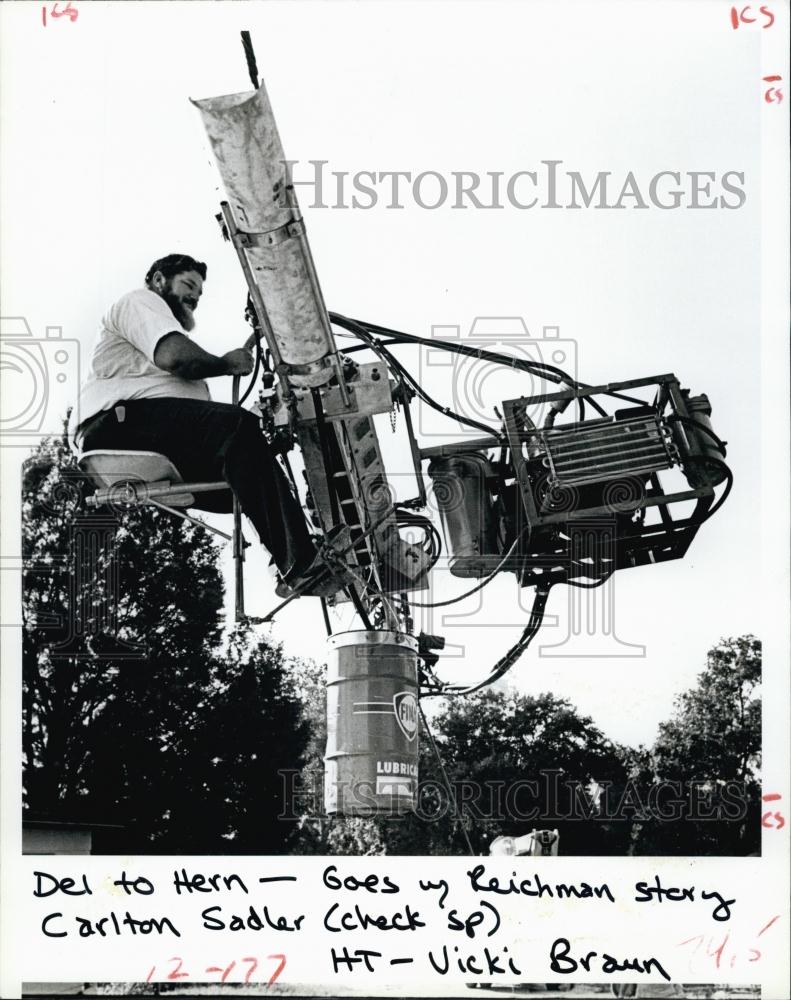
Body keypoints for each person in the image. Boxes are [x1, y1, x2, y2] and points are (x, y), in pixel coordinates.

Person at [73, 252, 333, 595]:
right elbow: (176, 357)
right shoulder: (140, 302)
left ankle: (290, 561)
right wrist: (226, 363)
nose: (194, 296)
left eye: (199, 292)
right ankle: (299, 562)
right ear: (158, 280)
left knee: (244, 478)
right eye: (188, 284)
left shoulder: (155, 347)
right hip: (118, 425)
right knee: (237, 429)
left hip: (146, 437)